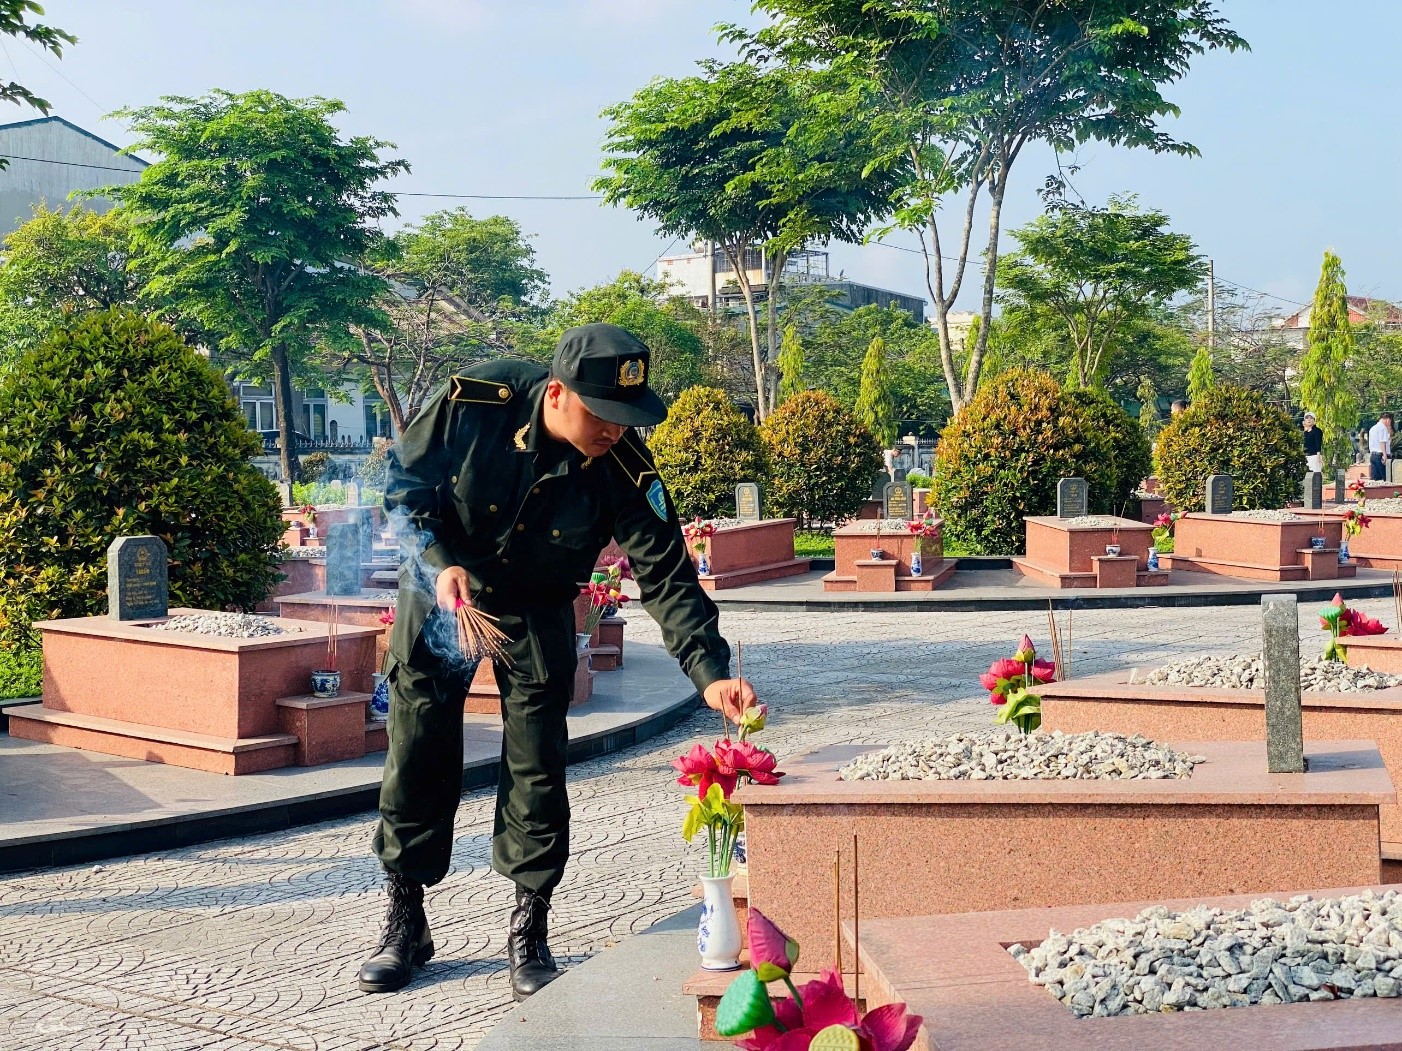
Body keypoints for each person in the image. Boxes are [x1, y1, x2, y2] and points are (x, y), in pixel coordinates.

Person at [360, 323, 757, 1000]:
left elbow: (666, 572)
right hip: (443, 592)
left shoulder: (625, 466)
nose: (614, 429)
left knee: (537, 766)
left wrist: (710, 671)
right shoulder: (475, 404)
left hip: (537, 604)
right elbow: (405, 486)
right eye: (601, 413)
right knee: (418, 749)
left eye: (625, 416)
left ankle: (529, 929)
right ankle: (405, 921)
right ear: (556, 394)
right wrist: (438, 561)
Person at [1369, 413, 1394, 481]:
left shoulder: (1372, 428)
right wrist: (1384, 454)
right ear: (1387, 420)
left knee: (1376, 479)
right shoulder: (1383, 428)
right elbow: (1382, 442)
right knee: (1387, 478)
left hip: (1373, 455)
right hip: (1381, 455)